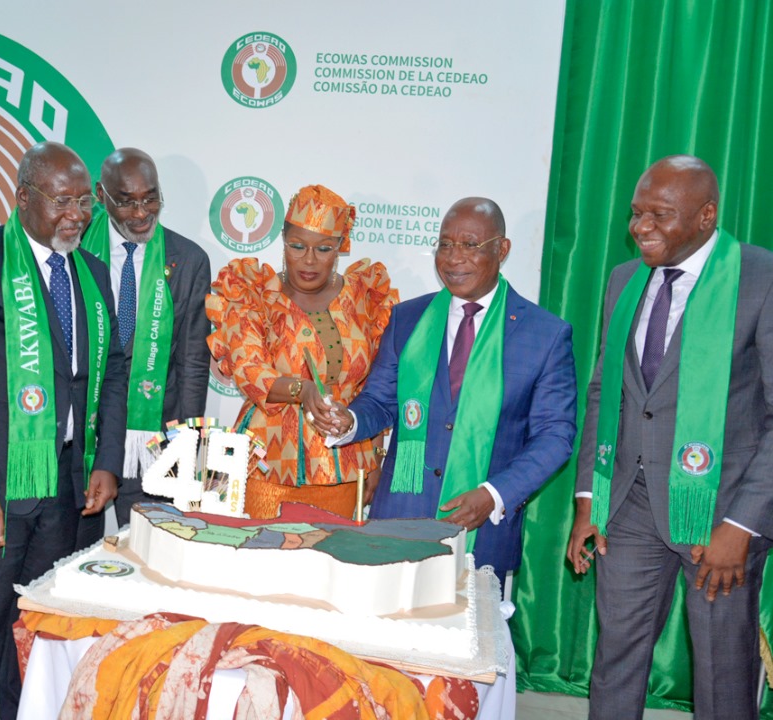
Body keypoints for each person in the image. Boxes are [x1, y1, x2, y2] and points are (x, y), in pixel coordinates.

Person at [567, 156, 773, 720]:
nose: (641, 227)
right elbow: (605, 392)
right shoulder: (624, 279)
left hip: (719, 512)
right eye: (636, 213)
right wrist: (588, 500)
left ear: (707, 216)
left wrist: (742, 526)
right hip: (630, 505)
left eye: (659, 215)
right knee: (615, 659)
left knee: (722, 673)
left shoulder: (760, 278)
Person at [0, 141, 128, 720]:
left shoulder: (92, 272)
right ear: (23, 197)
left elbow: (113, 372)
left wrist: (106, 460)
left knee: (36, 640)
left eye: (84, 202)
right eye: (62, 200)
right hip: (1, 486)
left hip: (68, 490)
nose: (77, 215)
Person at [316, 197, 577, 589]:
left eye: (470, 245)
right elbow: (381, 401)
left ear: (502, 249)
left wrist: (494, 494)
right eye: (445, 244)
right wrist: (349, 420)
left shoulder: (545, 334)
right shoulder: (408, 318)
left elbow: (555, 436)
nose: (454, 258)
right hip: (398, 521)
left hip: (482, 531)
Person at [207, 184, 397, 519]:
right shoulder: (254, 293)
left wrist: (375, 458)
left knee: (333, 551)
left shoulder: (362, 296)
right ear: (282, 239)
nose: (309, 260)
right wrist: (302, 389)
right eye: (297, 246)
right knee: (262, 549)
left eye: (323, 249)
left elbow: (374, 388)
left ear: (340, 246)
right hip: (266, 464)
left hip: (344, 464)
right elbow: (250, 371)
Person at [82, 148, 212, 527]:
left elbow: (192, 363)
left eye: (150, 198)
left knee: (148, 547)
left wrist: (187, 446)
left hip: (153, 439)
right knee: (77, 553)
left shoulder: (188, 260)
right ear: (101, 195)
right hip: (84, 439)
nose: (141, 213)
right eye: (126, 202)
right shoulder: (74, 249)